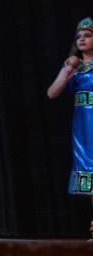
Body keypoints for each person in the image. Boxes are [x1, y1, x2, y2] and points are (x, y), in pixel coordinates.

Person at [46, 16, 93, 238]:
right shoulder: (72, 66)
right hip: (84, 127)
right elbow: (52, 93)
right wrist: (67, 73)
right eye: (79, 37)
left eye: (88, 35)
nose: (82, 39)